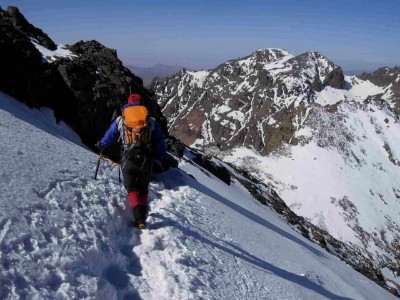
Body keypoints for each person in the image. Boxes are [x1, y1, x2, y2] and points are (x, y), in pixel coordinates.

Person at [96, 93, 169, 228]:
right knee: (143, 187)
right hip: (146, 159)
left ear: (128, 104)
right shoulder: (150, 120)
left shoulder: (121, 119)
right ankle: (142, 211)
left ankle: (139, 217)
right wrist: (163, 159)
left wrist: (101, 144)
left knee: (132, 188)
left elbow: (110, 136)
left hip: (128, 158)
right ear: (142, 104)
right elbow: (159, 142)